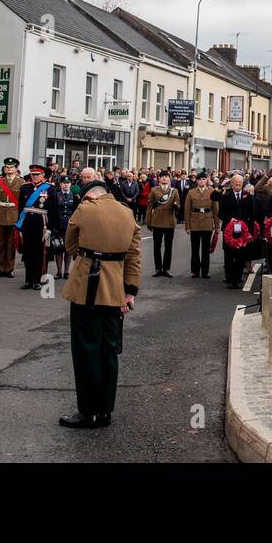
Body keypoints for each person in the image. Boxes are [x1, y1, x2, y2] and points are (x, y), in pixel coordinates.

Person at [61, 169, 141, 429]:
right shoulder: (127, 213)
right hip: (116, 290)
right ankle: (105, 411)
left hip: (86, 287)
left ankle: (88, 412)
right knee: (109, 351)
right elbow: (134, 257)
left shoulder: (85, 210)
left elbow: (70, 245)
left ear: (88, 196)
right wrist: (130, 292)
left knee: (85, 350)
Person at [213, 173, 255, 289]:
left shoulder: (248, 196)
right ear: (231, 184)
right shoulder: (226, 196)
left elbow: (252, 215)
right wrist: (230, 219)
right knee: (229, 255)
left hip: (243, 230)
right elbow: (220, 213)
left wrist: (250, 231)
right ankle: (230, 278)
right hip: (229, 229)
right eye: (236, 184)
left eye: (240, 184)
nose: (238, 186)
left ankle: (237, 278)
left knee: (241, 255)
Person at [17, 165, 52, 290]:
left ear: (43, 175)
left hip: (41, 225)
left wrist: (50, 228)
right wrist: (19, 226)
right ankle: (28, 280)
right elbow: (20, 208)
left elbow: (53, 210)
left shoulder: (49, 188)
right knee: (27, 253)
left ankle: (37, 280)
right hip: (27, 224)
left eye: (37, 174)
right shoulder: (25, 187)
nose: (35, 176)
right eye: (33, 174)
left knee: (39, 253)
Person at [0, 158, 23, 278]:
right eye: (7, 167)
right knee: (1, 244)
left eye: (11, 167)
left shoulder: (21, 182)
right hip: (1, 215)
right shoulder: (0, 181)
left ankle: (9, 268)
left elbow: (22, 202)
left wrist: (21, 219)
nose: (9, 169)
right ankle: (1, 268)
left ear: (16, 169)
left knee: (11, 245)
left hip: (14, 216)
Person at [183, 171, 218, 279]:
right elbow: (187, 210)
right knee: (195, 249)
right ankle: (195, 271)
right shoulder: (191, 192)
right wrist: (188, 227)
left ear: (207, 180)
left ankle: (205, 271)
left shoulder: (212, 191)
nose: (201, 181)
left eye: (203, 179)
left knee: (205, 249)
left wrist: (217, 226)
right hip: (195, 222)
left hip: (207, 222)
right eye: (199, 179)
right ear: (197, 181)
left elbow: (215, 210)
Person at [147, 172, 180, 277]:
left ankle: (166, 268)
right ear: (159, 179)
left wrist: (176, 206)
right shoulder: (154, 190)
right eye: (162, 177)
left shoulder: (174, 191)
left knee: (168, 246)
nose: (164, 178)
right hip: (157, 221)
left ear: (169, 179)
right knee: (157, 246)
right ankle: (158, 268)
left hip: (169, 221)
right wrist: (149, 221)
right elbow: (149, 207)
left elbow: (178, 204)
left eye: (166, 177)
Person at [46, 173, 77, 280]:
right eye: (64, 183)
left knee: (68, 249)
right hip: (58, 225)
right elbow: (52, 211)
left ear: (71, 184)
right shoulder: (56, 195)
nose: (66, 185)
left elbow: (76, 211)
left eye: (68, 183)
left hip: (69, 226)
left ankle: (67, 272)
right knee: (58, 248)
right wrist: (52, 226)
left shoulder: (74, 196)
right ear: (60, 184)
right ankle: (59, 271)